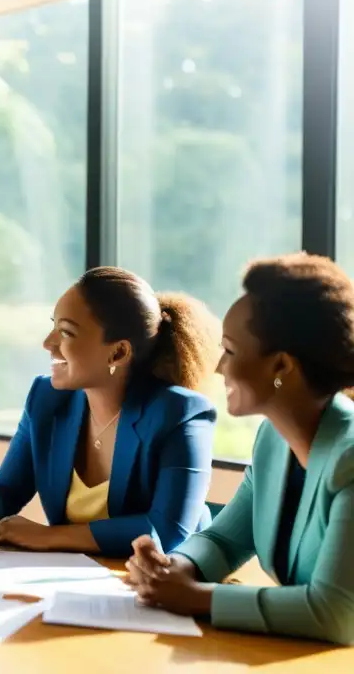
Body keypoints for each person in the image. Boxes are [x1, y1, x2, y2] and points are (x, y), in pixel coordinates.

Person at [127, 253, 354, 645]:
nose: (218, 367)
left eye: (230, 350)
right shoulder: (274, 440)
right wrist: (175, 569)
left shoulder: (348, 460)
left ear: (281, 367)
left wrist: (199, 598)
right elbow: (226, 539)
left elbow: (335, 613)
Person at [0, 267, 220, 558]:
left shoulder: (181, 413)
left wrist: (47, 537)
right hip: (76, 580)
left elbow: (167, 530)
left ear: (118, 353)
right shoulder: (46, 399)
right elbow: (7, 487)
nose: (47, 343)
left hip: (166, 581)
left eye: (66, 332)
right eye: (53, 325)